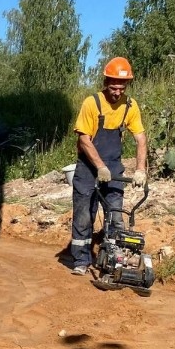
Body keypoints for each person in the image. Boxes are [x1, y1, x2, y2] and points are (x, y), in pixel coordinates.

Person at [69, 56, 148, 275]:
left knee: (115, 213)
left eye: (121, 87)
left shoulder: (130, 106)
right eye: (113, 87)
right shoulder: (91, 103)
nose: (117, 92)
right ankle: (81, 261)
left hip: (113, 165)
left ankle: (114, 259)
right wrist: (99, 167)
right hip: (87, 166)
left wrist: (140, 169)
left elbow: (141, 137)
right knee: (84, 213)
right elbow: (84, 139)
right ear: (106, 83)